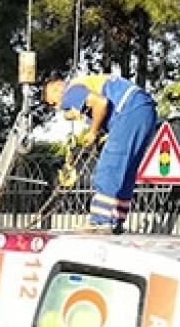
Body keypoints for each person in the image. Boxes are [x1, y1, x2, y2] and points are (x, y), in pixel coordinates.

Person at [43, 74, 159, 232]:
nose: (58, 107)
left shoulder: (70, 92)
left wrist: (92, 132)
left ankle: (101, 221)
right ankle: (116, 220)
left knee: (108, 168)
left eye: (54, 103)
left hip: (128, 110)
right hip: (145, 111)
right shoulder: (89, 84)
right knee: (125, 171)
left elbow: (100, 103)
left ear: (57, 89)